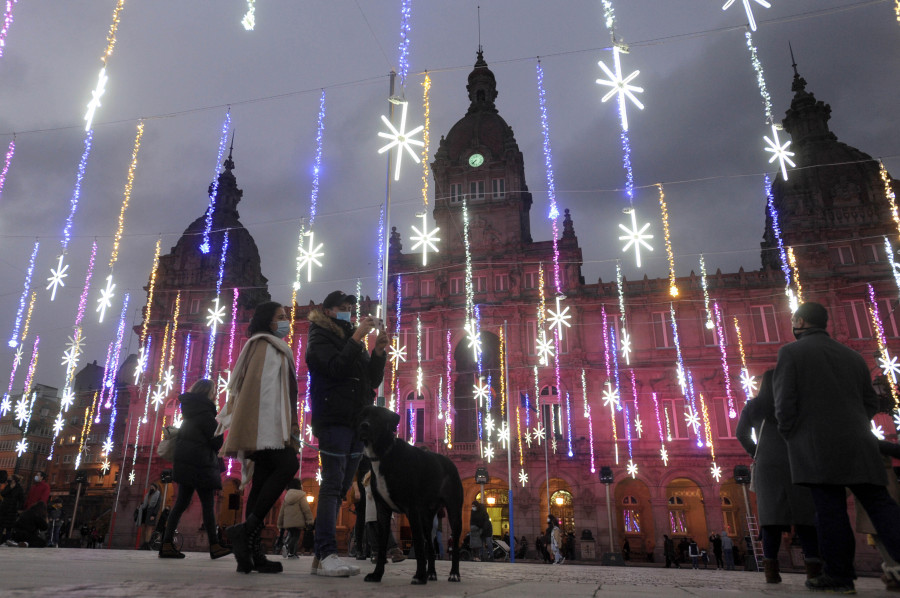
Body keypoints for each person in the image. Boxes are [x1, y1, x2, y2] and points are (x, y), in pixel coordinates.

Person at [774, 301, 900, 593]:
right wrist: (852, 424)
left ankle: (840, 577)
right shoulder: (853, 357)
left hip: (816, 445)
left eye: (794, 319)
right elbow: (871, 402)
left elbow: (784, 404)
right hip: (859, 442)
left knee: (830, 510)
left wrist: (792, 434)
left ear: (802, 322)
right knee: (881, 506)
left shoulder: (790, 353)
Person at [306, 290, 387, 577]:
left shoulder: (354, 338)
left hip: (357, 420)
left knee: (341, 488)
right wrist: (356, 340)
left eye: (350, 309)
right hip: (333, 418)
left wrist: (378, 353)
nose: (348, 313)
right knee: (330, 484)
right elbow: (334, 368)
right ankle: (327, 551)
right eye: (342, 308)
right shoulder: (319, 335)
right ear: (327, 311)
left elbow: (371, 380)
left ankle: (320, 556)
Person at [218, 301, 300, 574]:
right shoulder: (266, 346)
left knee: (263, 478)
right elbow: (264, 393)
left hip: (266, 427)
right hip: (266, 428)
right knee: (288, 465)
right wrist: (277, 431)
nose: (286, 320)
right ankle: (247, 530)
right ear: (267, 321)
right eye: (280, 316)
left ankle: (251, 555)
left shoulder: (268, 346)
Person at [736, 369, 820, 583]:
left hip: (767, 464)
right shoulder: (795, 403)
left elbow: (741, 433)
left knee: (770, 520)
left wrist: (755, 451)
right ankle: (814, 570)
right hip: (796, 459)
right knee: (804, 518)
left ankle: (771, 571)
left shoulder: (754, 406)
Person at [159, 379, 231, 560]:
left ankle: (166, 543)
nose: (215, 396)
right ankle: (214, 545)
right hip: (201, 465)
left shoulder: (190, 413)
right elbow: (217, 442)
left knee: (181, 504)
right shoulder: (205, 415)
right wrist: (220, 428)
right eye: (214, 392)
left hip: (186, 464)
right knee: (208, 505)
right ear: (208, 394)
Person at [276, 478, 314, 559]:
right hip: (297, 521)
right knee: (295, 537)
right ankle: (287, 547)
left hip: (288, 522)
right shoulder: (301, 495)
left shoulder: (286, 496)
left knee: (291, 535)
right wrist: (310, 520)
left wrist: (279, 524)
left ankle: (292, 553)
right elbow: (306, 509)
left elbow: (281, 512)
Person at [0, 474, 24, 542]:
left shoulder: (19, 488)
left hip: (12, 510)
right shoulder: (8, 486)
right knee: (1, 525)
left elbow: (21, 499)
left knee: (9, 527)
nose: (8, 480)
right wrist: (10, 488)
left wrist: (19, 508)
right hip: (4, 508)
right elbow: (3, 494)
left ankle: (6, 540)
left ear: (14, 480)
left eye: (10, 478)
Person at [138, 483, 161, 548]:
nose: (151, 488)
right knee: (143, 528)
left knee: (149, 528)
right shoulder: (147, 495)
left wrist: (154, 515)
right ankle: (143, 543)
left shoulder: (158, 495)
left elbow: (158, 506)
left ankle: (147, 544)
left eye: (152, 487)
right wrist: (141, 506)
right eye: (150, 487)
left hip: (151, 513)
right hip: (144, 512)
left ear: (156, 488)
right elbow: (145, 504)